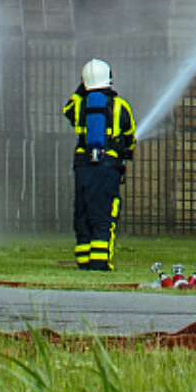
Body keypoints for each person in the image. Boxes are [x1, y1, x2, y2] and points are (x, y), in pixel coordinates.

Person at [62, 56, 136, 271]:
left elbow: (66, 111)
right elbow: (130, 136)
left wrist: (81, 90)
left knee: (83, 212)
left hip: (82, 166)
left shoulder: (79, 104)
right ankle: (100, 261)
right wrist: (123, 156)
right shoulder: (121, 106)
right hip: (107, 166)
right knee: (104, 212)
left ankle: (84, 260)